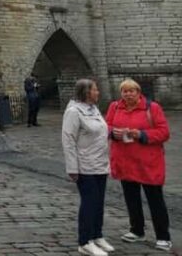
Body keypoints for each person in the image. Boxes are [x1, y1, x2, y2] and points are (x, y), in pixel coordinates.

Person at [106, 79, 171, 251]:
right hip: (125, 160)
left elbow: (164, 132)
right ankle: (137, 230)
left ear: (138, 92)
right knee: (131, 198)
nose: (128, 94)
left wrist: (140, 134)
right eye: (124, 92)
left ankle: (163, 236)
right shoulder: (114, 107)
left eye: (131, 91)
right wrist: (113, 133)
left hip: (148, 162)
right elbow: (106, 126)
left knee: (155, 200)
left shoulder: (152, 108)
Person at [62, 79, 113, 256]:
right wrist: (72, 167)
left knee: (99, 203)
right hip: (84, 166)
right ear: (86, 92)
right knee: (89, 203)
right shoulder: (73, 112)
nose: (98, 92)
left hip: (100, 163)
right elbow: (68, 140)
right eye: (95, 90)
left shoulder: (93, 109)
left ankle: (97, 235)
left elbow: (100, 130)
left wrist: (114, 133)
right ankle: (84, 241)